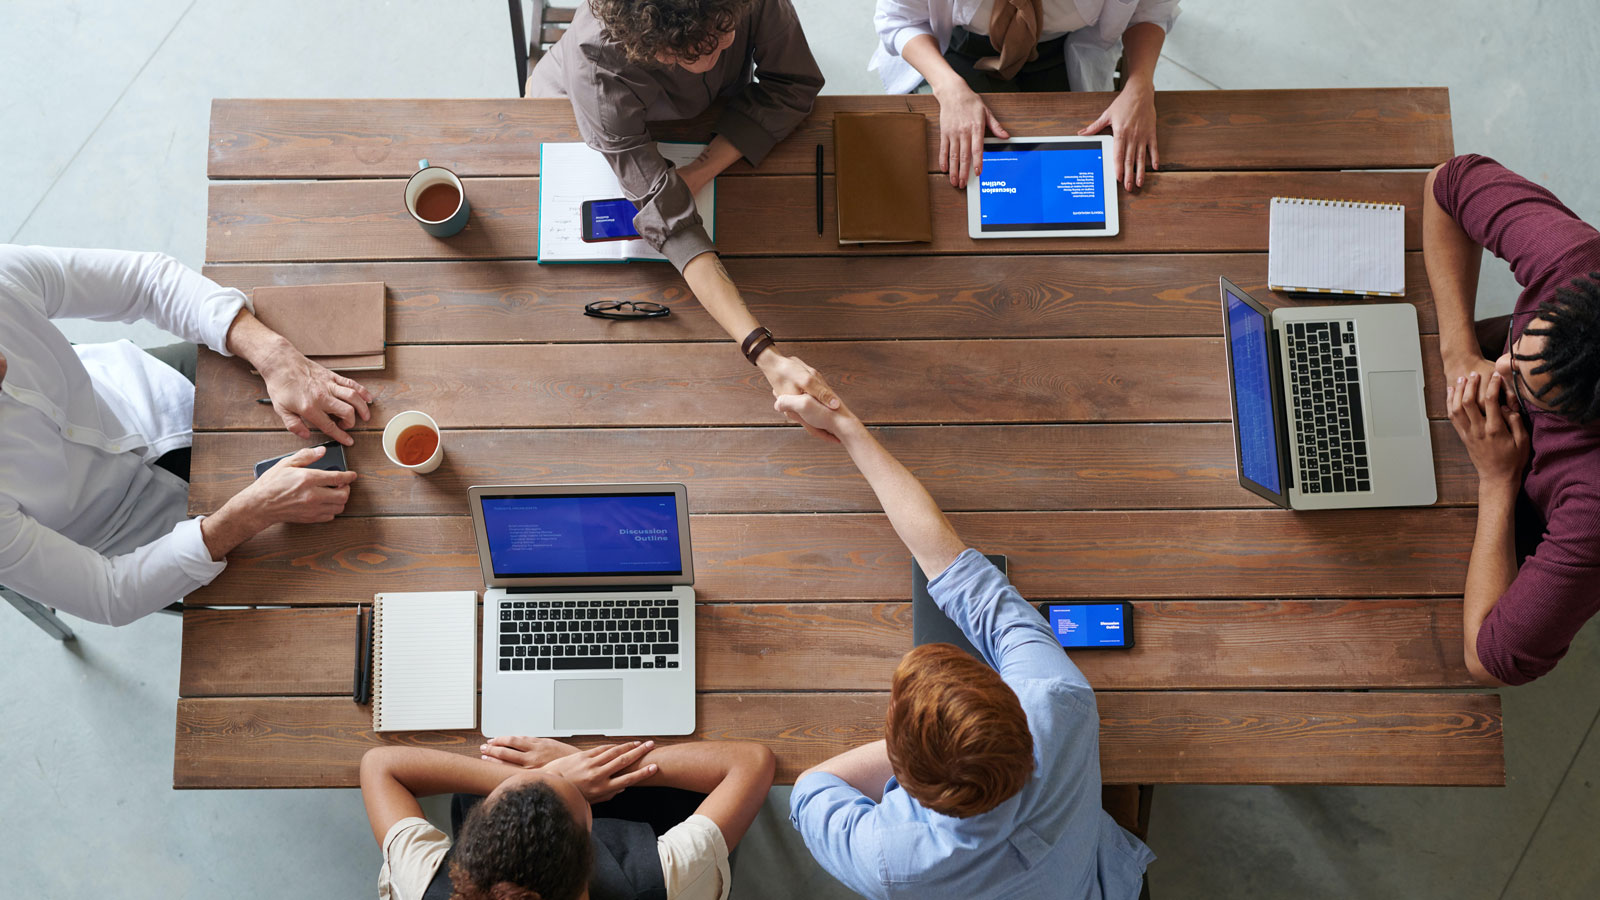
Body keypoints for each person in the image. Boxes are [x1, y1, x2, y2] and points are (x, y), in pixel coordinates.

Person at [775, 388, 1154, 898]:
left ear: (903, 775)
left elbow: (808, 791)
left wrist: (846, 427)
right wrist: (847, 428)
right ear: (1012, 707)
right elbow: (965, 578)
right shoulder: (1056, 700)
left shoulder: (890, 860)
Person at [0, 244, 372, 626]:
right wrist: (252, 513)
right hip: (142, 539)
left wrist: (274, 356)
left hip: (152, 389)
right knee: (324, 587)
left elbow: (145, 281)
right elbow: (108, 594)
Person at [528, 0, 837, 412]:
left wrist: (702, 169)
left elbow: (793, 84)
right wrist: (763, 352)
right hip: (577, 110)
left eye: (726, 33)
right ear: (651, 47)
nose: (723, 49)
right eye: (698, 51)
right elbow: (672, 221)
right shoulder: (597, 65)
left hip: (706, 114)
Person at [1423, 154, 1600, 686]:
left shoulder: (1592, 503)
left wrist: (1498, 480)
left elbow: (1490, 660)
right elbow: (1447, 181)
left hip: (1516, 492)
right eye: (1519, 346)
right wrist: (1458, 353)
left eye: (1524, 384)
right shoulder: (1578, 261)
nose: (1500, 366)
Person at [360, 736, 775, 899]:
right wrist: (593, 764)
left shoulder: (421, 885)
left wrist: (553, 775)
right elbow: (752, 761)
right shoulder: (668, 879)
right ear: (591, 852)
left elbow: (381, 765)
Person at [871, 0, 1182, 191]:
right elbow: (900, 19)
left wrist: (1140, 84)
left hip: (1063, 46)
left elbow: (1148, 11)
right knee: (970, 174)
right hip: (960, 47)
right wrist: (948, 88)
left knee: (1072, 173)